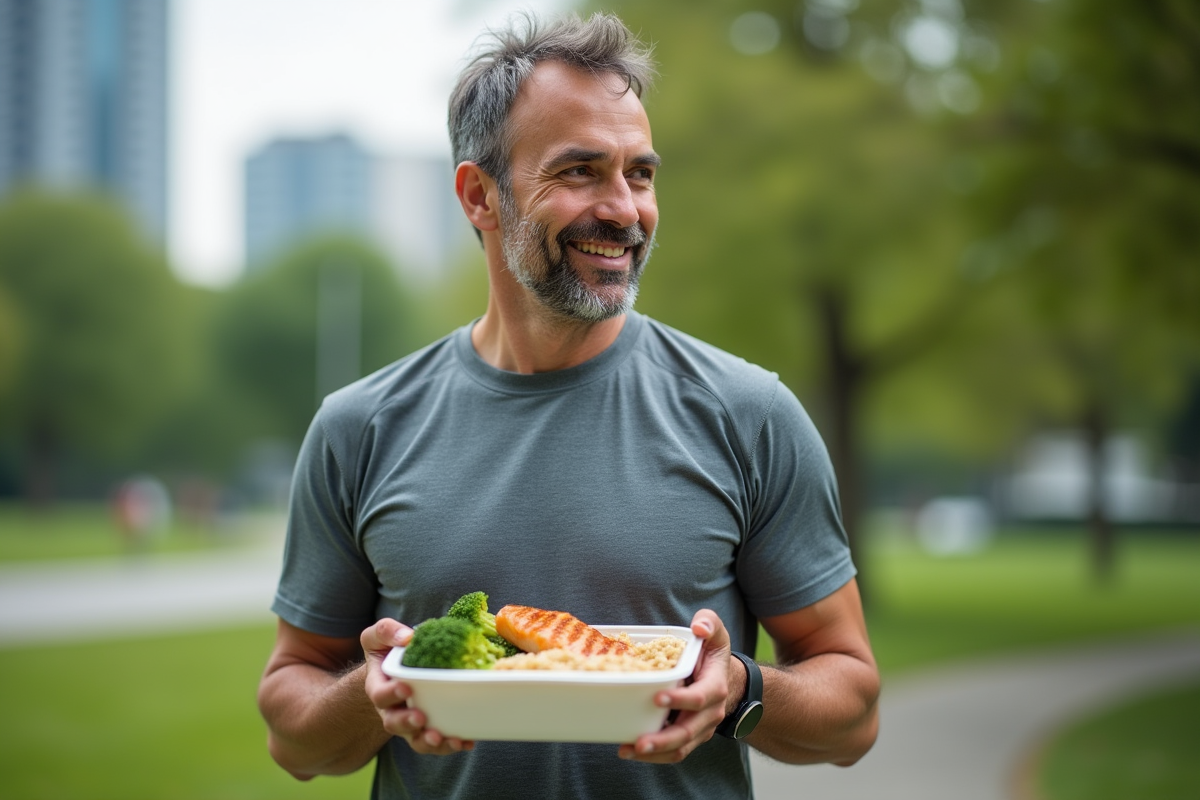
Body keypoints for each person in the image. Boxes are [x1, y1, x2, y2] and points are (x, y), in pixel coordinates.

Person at [257, 11, 879, 800]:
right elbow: (292, 729)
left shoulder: (747, 413)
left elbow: (853, 712)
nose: (625, 209)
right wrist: (374, 694)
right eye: (580, 171)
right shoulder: (360, 428)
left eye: (641, 173)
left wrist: (738, 690)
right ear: (480, 196)